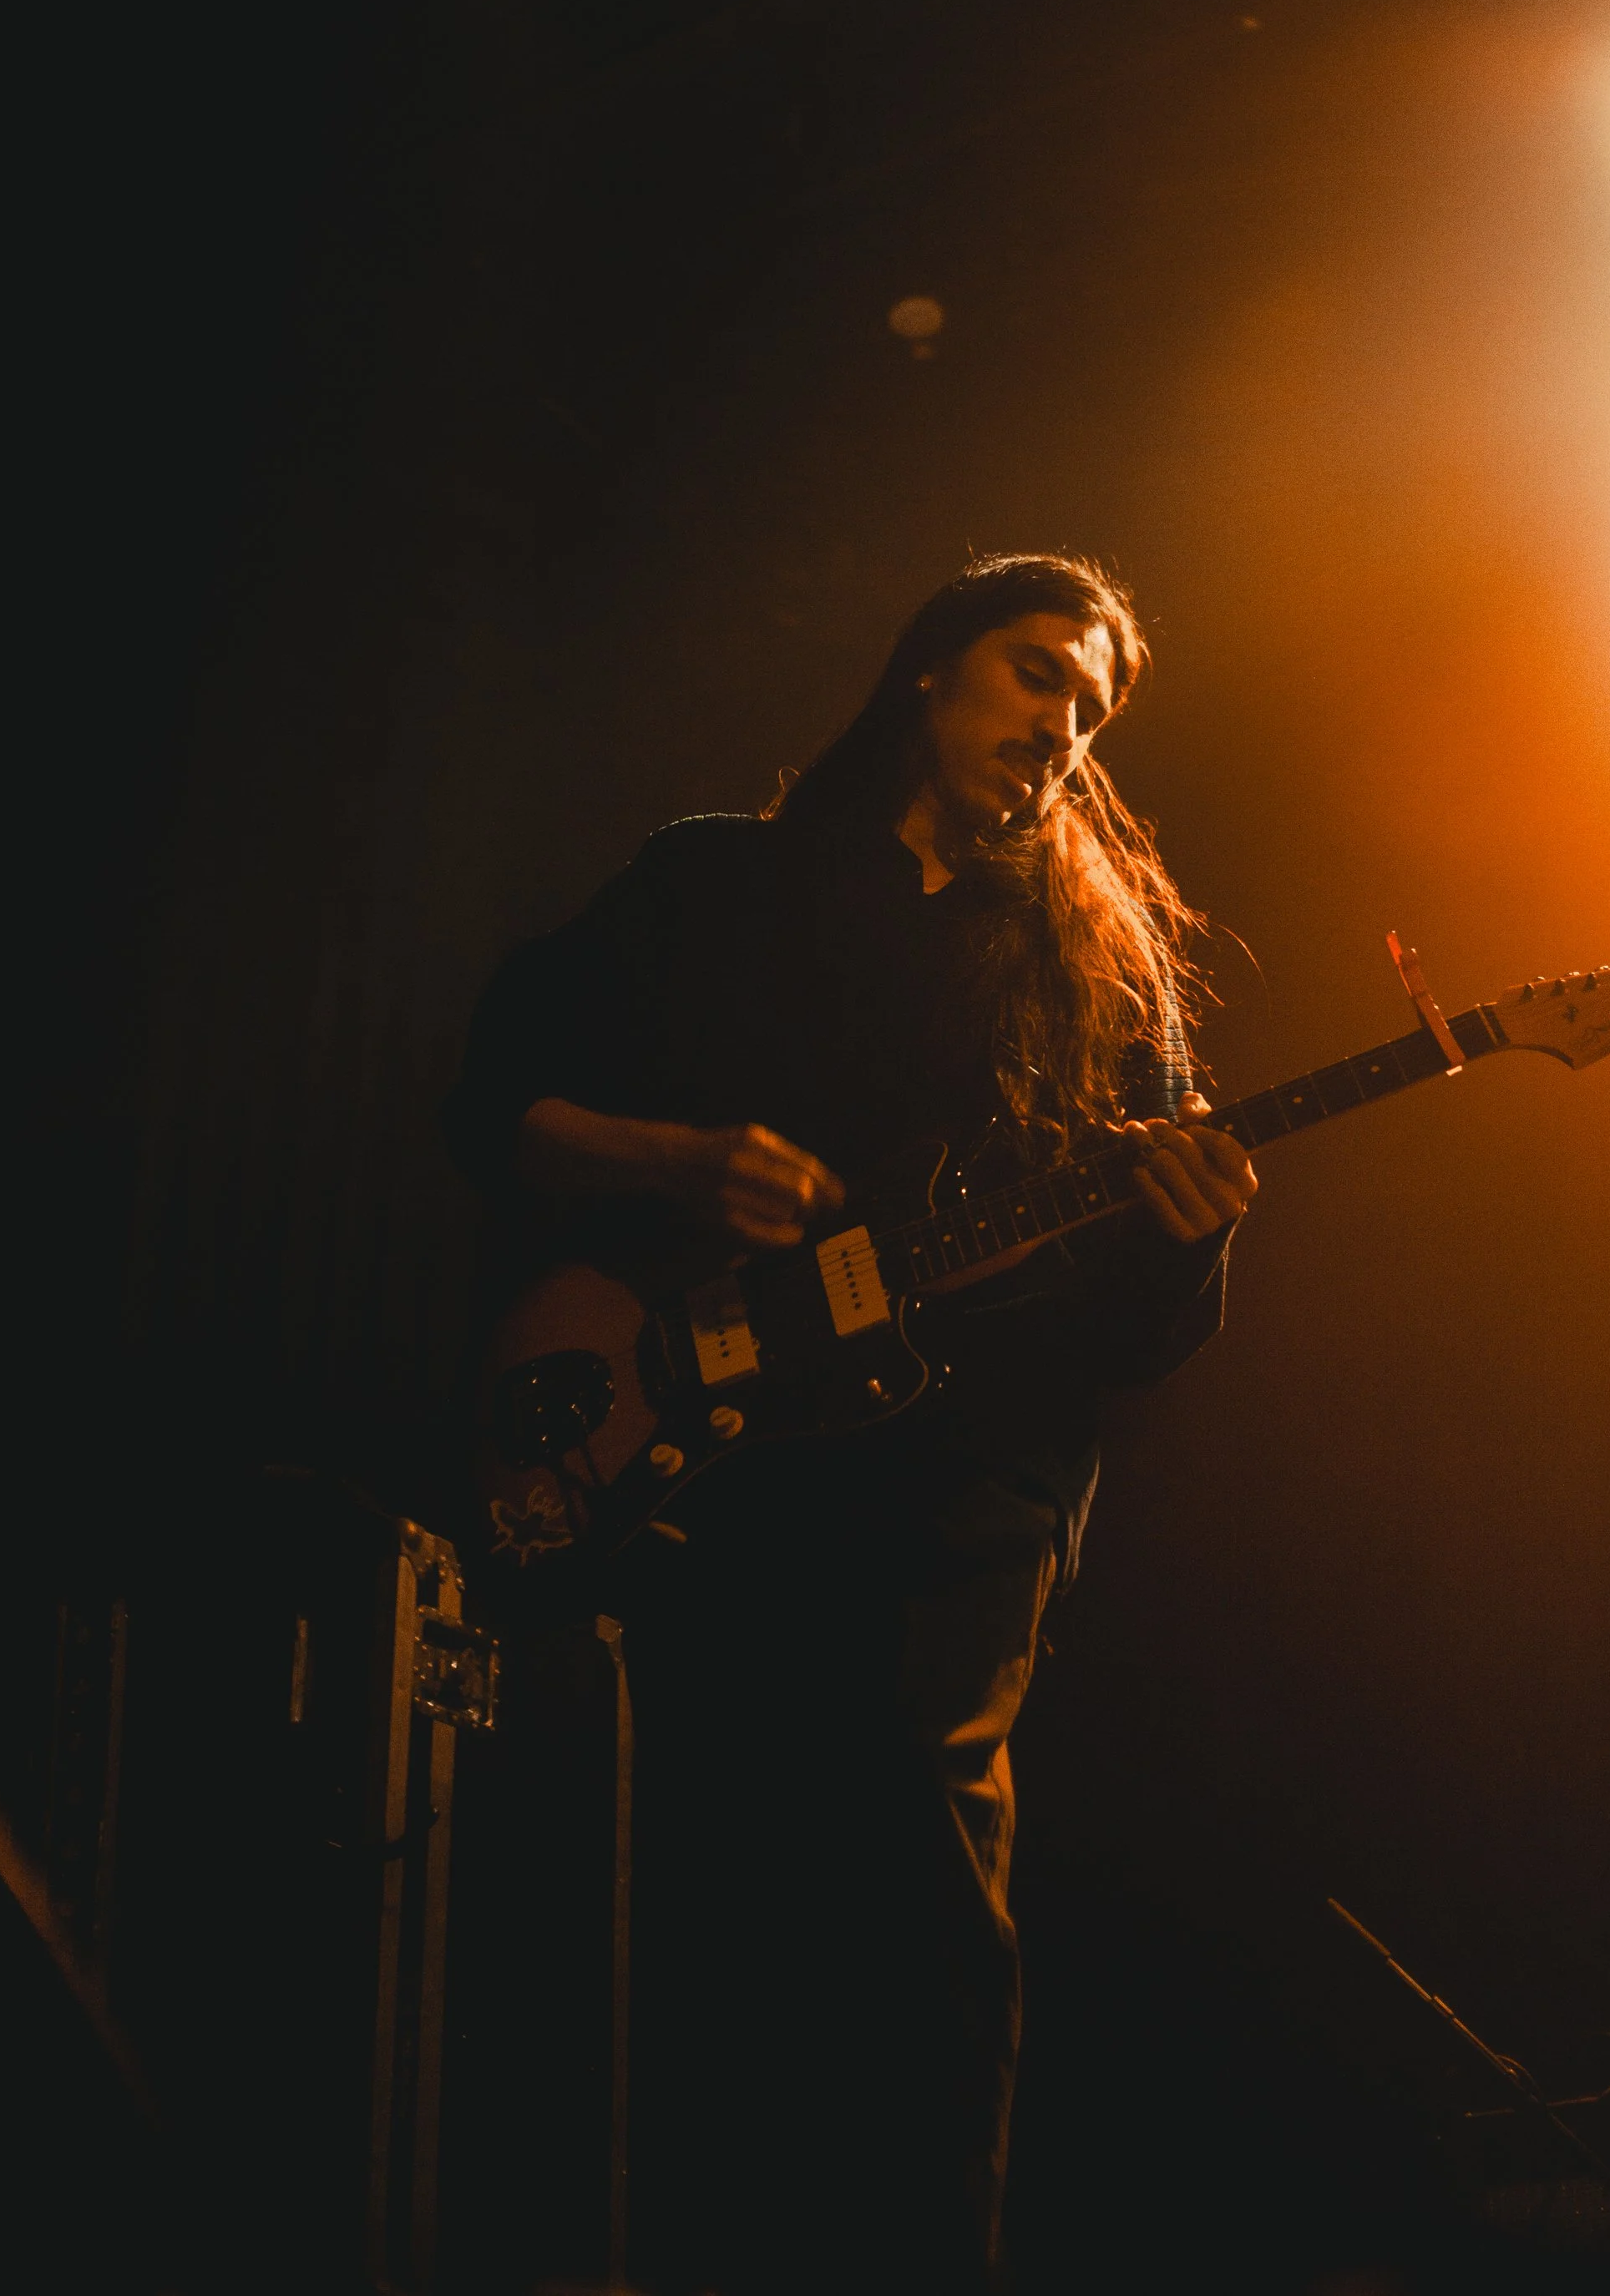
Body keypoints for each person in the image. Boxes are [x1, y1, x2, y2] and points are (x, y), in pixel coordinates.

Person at [444, 554, 1256, 2292]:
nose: (1062, 723)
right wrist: (677, 1159)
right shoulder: (712, 882)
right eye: (1035, 673)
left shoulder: (1106, 980)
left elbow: (1136, 1337)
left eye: (1092, 707)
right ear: (926, 672)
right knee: (681, 1889)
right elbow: (496, 1103)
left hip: (957, 1499)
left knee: (914, 1911)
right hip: (706, 1475)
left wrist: (1190, 1238)